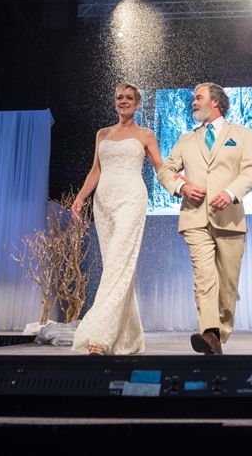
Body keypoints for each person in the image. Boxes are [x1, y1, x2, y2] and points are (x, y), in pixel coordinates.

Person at [157, 83, 252, 355]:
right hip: (194, 219)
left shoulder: (242, 135)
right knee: (204, 277)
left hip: (230, 219)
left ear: (215, 101)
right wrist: (182, 187)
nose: (193, 102)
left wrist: (231, 193)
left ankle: (219, 334)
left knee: (227, 284)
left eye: (198, 97)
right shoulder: (186, 140)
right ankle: (209, 333)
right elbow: (166, 171)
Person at [70, 83, 166, 356]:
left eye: (129, 98)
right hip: (104, 204)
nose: (123, 101)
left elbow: (160, 166)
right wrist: (80, 198)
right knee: (117, 267)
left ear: (138, 104)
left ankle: (99, 337)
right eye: (119, 97)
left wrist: (179, 184)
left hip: (131, 200)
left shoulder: (145, 134)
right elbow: (95, 170)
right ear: (115, 102)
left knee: (117, 265)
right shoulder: (103, 134)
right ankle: (129, 338)